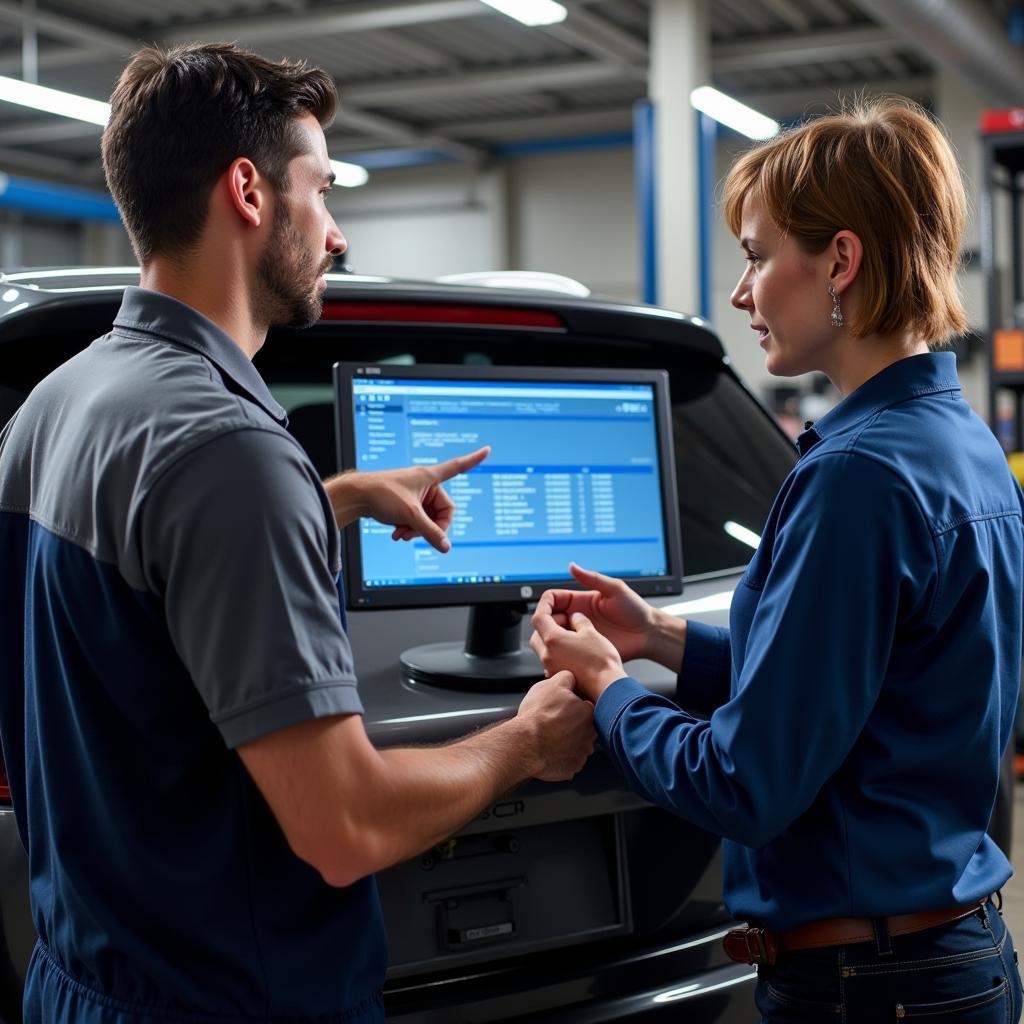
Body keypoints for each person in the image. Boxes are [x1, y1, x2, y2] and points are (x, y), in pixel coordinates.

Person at [0, 43, 596, 1024]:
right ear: (248, 190)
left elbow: (137, 597)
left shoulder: (58, 404)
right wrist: (524, 741)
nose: (336, 234)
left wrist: (332, 498)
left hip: (83, 981)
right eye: (321, 188)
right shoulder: (229, 449)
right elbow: (345, 825)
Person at [529, 98, 1024, 1022]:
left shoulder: (856, 476)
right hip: (951, 961)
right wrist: (663, 638)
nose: (740, 291)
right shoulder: (958, 443)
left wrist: (608, 689)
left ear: (839, 261)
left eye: (757, 256)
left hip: (870, 991)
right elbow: (867, 691)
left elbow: (745, 781)